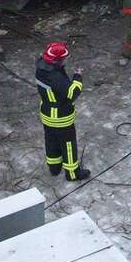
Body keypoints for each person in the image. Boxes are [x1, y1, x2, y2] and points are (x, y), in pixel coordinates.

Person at [35, 42, 90, 182]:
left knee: (51, 140)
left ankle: (54, 167)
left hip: (47, 112)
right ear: (56, 61)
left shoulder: (41, 68)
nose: (66, 60)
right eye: (64, 58)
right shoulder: (55, 77)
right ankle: (72, 173)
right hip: (61, 116)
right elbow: (72, 93)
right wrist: (77, 77)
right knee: (68, 144)